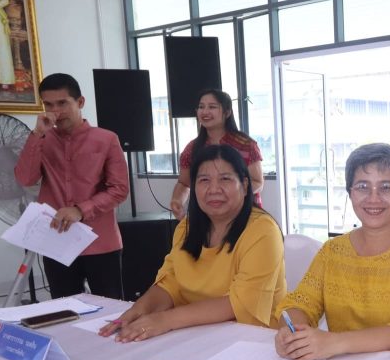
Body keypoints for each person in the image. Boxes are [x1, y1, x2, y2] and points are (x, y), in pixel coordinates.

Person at [275, 143, 390, 360]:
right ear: (350, 192)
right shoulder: (332, 251)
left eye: (385, 187)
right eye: (362, 187)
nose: (373, 198)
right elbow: (300, 304)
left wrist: (333, 343)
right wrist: (290, 332)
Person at [100, 145, 285, 342]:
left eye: (225, 179)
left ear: (245, 185)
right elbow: (170, 283)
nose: (214, 189)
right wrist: (139, 311)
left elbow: (239, 303)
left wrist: (164, 320)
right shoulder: (186, 228)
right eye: (204, 180)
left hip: (253, 340)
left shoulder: (263, 231)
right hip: (195, 333)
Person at [14, 73, 129, 299]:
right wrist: (37, 134)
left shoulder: (107, 139)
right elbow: (25, 179)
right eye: (48, 104)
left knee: (111, 309)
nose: (56, 111)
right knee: (64, 310)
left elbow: (119, 189)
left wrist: (80, 210)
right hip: (57, 241)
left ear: (80, 102)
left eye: (62, 103)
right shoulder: (41, 140)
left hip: (100, 241)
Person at [170, 89, 264, 217]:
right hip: (207, 217)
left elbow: (258, 182)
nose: (205, 112)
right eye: (201, 107)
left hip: (246, 216)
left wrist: (229, 195)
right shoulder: (192, 148)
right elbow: (184, 183)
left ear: (227, 112)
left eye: (212, 107)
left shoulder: (246, 144)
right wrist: (177, 200)